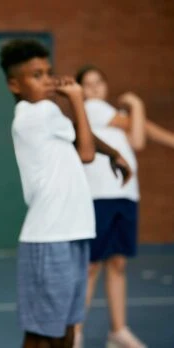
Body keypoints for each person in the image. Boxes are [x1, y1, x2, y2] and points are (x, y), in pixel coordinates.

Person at [0, 39, 131, 348]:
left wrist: (114, 153)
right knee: (44, 333)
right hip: (50, 235)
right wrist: (77, 98)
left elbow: (78, 131)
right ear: (14, 84)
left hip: (74, 230)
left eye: (48, 72)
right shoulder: (36, 113)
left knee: (69, 326)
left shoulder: (50, 114)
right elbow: (85, 152)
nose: (47, 80)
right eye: (36, 75)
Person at [74, 65, 174, 348]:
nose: (94, 88)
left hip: (126, 194)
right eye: (88, 83)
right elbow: (140, 138)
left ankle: (118, 332)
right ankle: (76, 331)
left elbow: (142, 130)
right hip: (99, 196)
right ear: (81, 90)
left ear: (106, 86)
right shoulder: (92, 108)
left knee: (117, 263)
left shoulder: (112, 116)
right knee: (92, 265)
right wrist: (137, 104)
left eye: (99, 82)